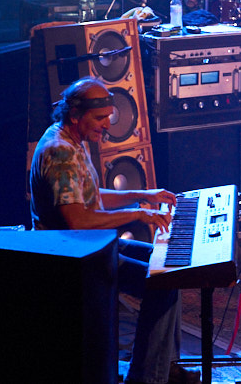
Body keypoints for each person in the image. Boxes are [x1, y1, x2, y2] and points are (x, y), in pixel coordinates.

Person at [29, 78, 194, 384]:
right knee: (161, 284)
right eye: (99, 118)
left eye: (108, 117)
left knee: (172, 267)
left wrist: (144, 194)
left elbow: (93, 196)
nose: (106, 125)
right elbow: (78, 220)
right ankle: (146, 377)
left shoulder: (70, 140)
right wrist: (135, 214)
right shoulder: (60, 153)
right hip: (73, 258)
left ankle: (165, 366)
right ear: (75, 114)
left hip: (93, 246)